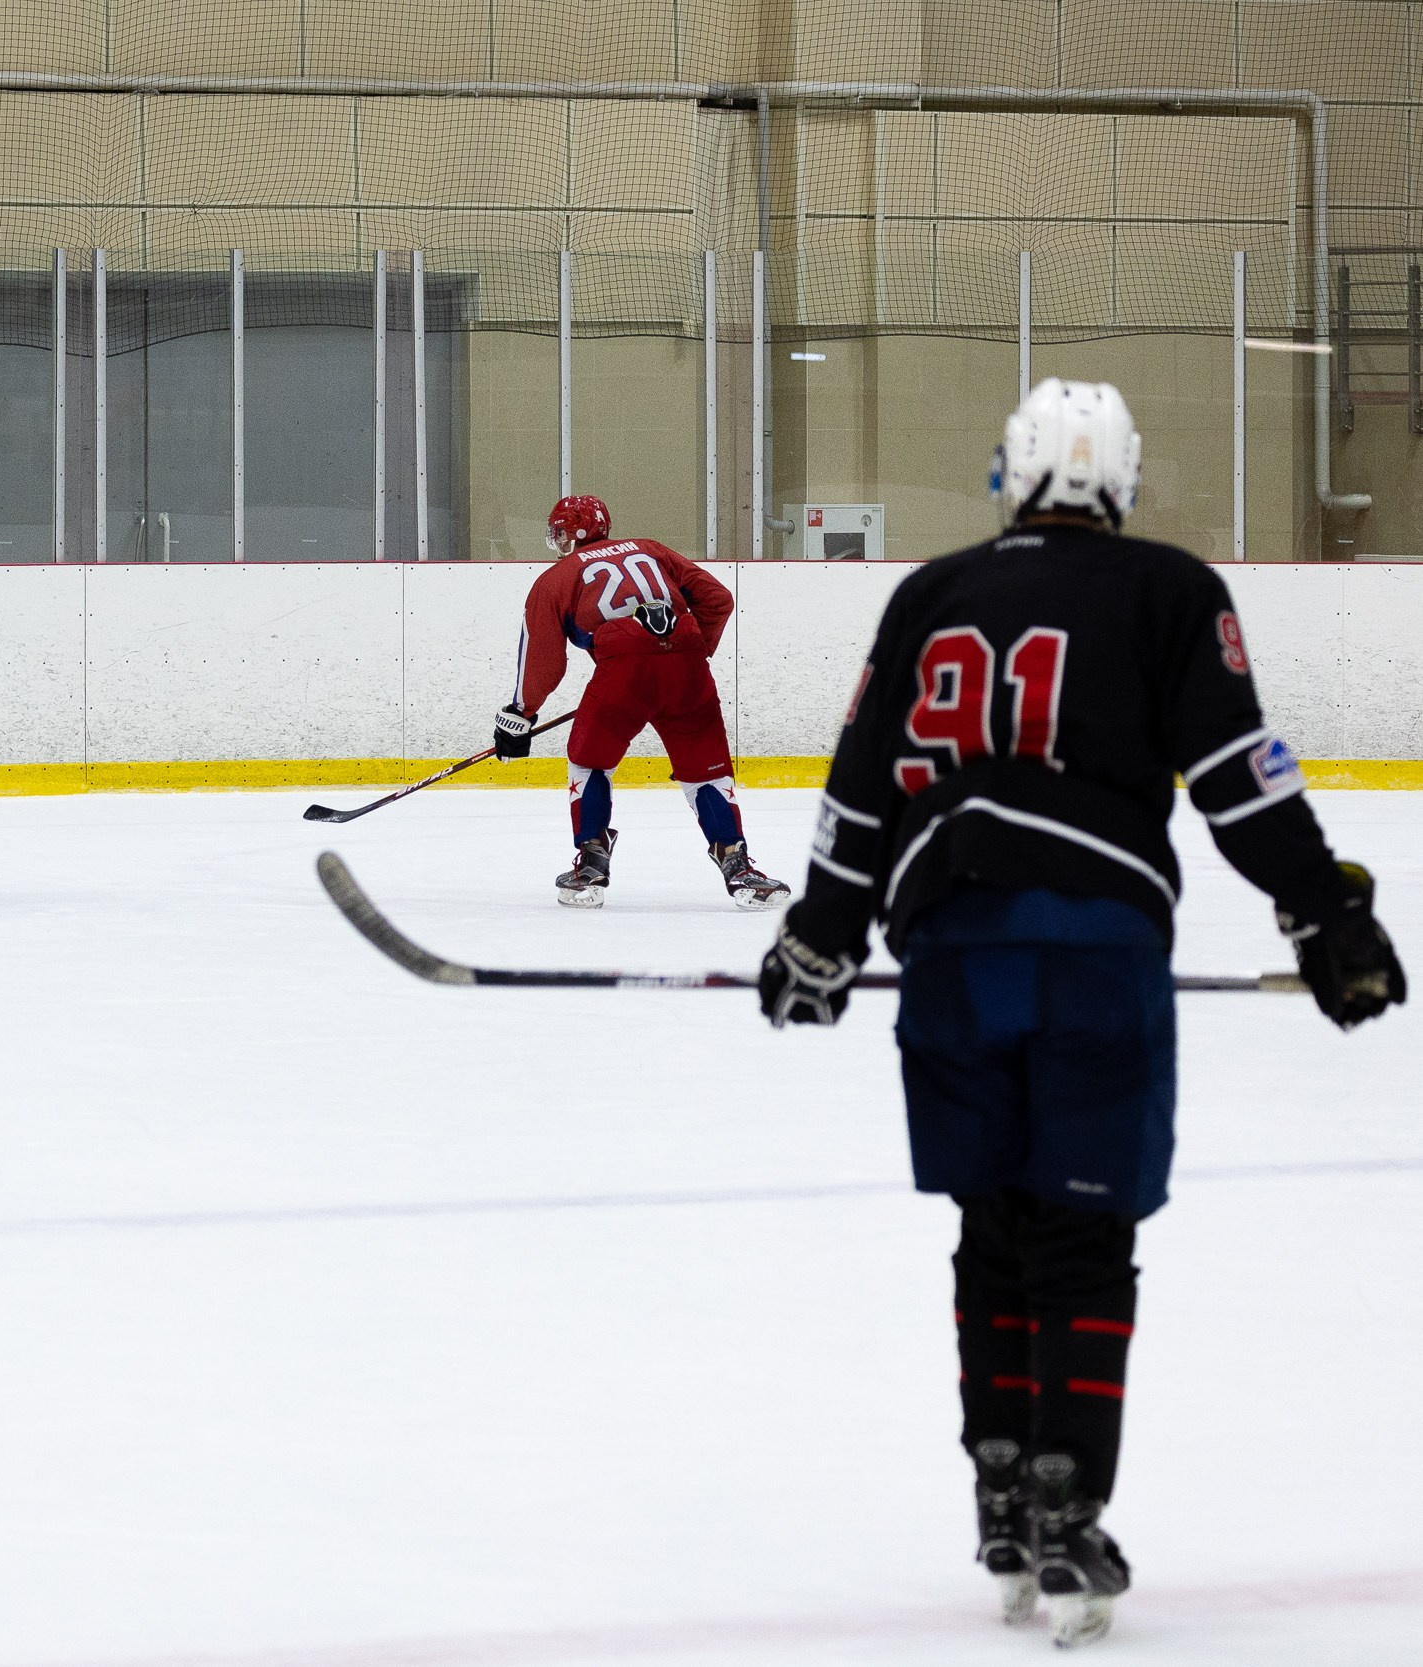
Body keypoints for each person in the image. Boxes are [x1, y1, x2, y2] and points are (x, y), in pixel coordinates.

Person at [757, 379, 1405, 1649]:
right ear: (1122, 479)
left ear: (1009, 478)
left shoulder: (927, 594)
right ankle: (1067, 1501)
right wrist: (1322, 911)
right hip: (1096, 948)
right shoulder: (1168, 588)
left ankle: (1000, 1491)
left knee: (988, 1220)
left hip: (948, 946)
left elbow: (857, 794)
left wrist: (818, 937)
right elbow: (1234, 771)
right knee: (1083, 1233)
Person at [495, 493, 789, 908]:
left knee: (589, 760)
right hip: (687, 668)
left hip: (623, 675)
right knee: (707, 774)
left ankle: (592, 865)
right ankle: (739, 868)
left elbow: (544, 659)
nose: (557, 540)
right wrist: (683, 652)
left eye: (560, 532)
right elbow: (718, 600)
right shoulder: (650, 549)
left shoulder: (556, 579)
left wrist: (520, 714)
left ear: (575, 534)